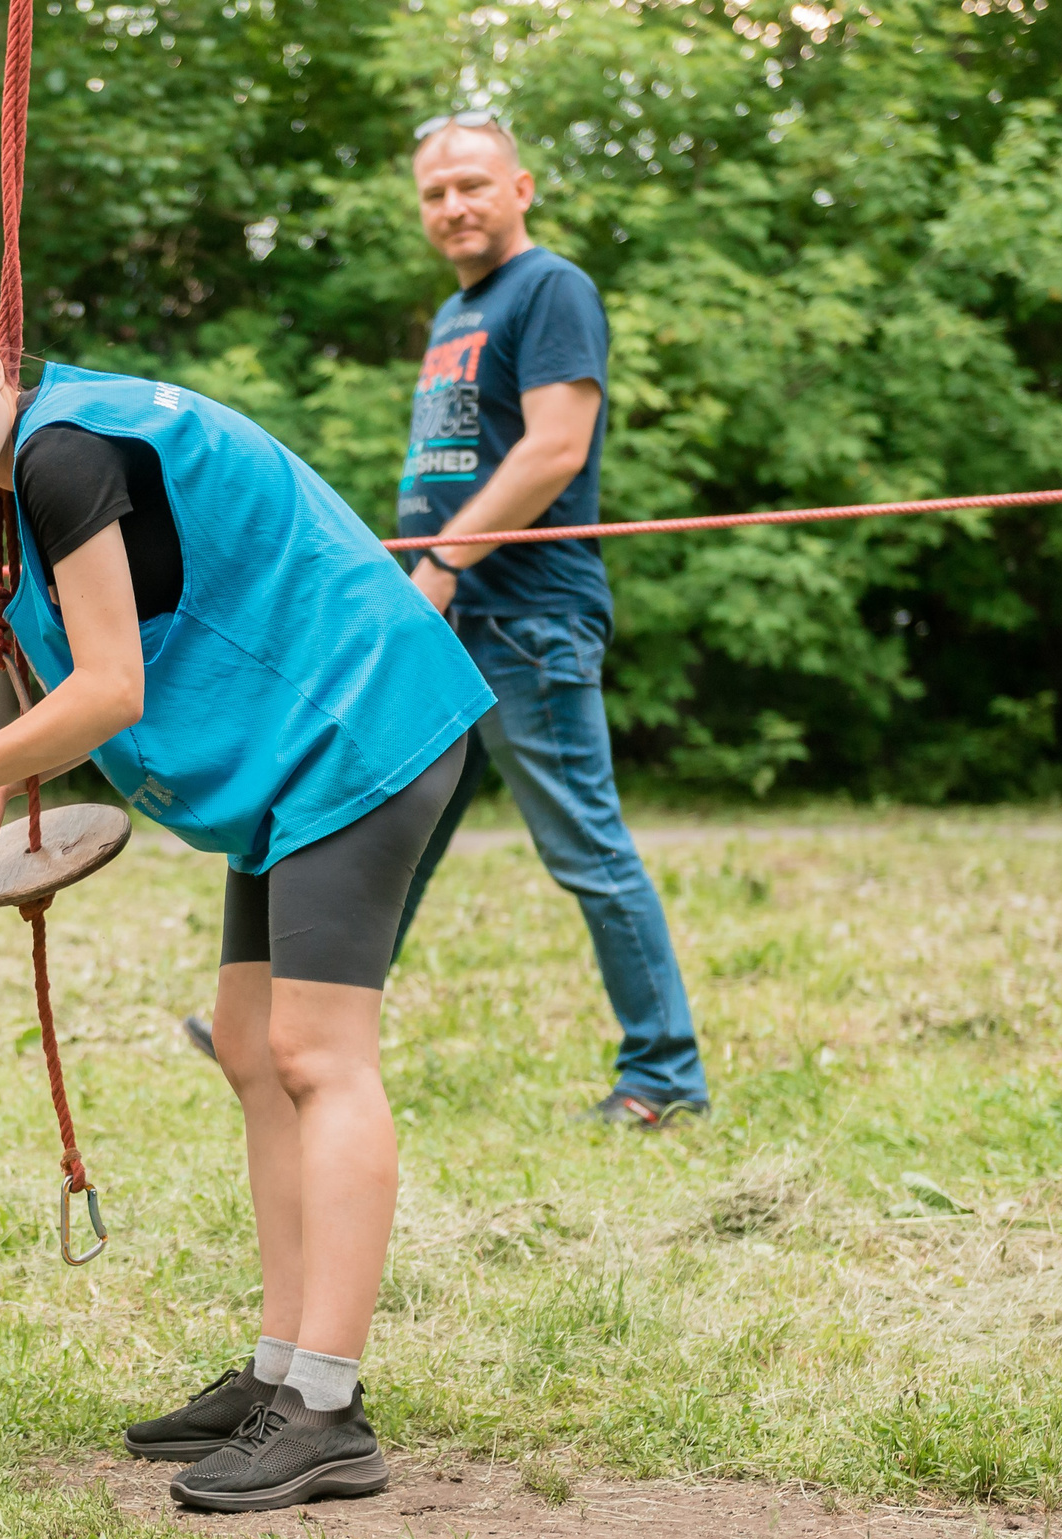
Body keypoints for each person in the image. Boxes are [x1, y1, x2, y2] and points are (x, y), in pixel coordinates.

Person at [0, 289, 494, 1513]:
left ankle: (331, 1412)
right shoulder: (45, 460)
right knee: (251, 1043)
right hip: (298, 750)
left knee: (316, 1052)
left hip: (360, 723)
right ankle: (283, 1368)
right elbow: (109, 656)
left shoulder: (63, 457)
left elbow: (113, 689)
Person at [393, 110, 709, 1126]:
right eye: (435, 192)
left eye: (473, 185)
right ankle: (309, 1024)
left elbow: (552, 450)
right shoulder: (456, 313)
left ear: (520, 188)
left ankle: (663, 1076)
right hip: (449, 618)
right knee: (396, 833)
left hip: (524, 618)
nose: (453, 205)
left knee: (584, 843)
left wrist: (442, 560)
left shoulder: (550, 288)